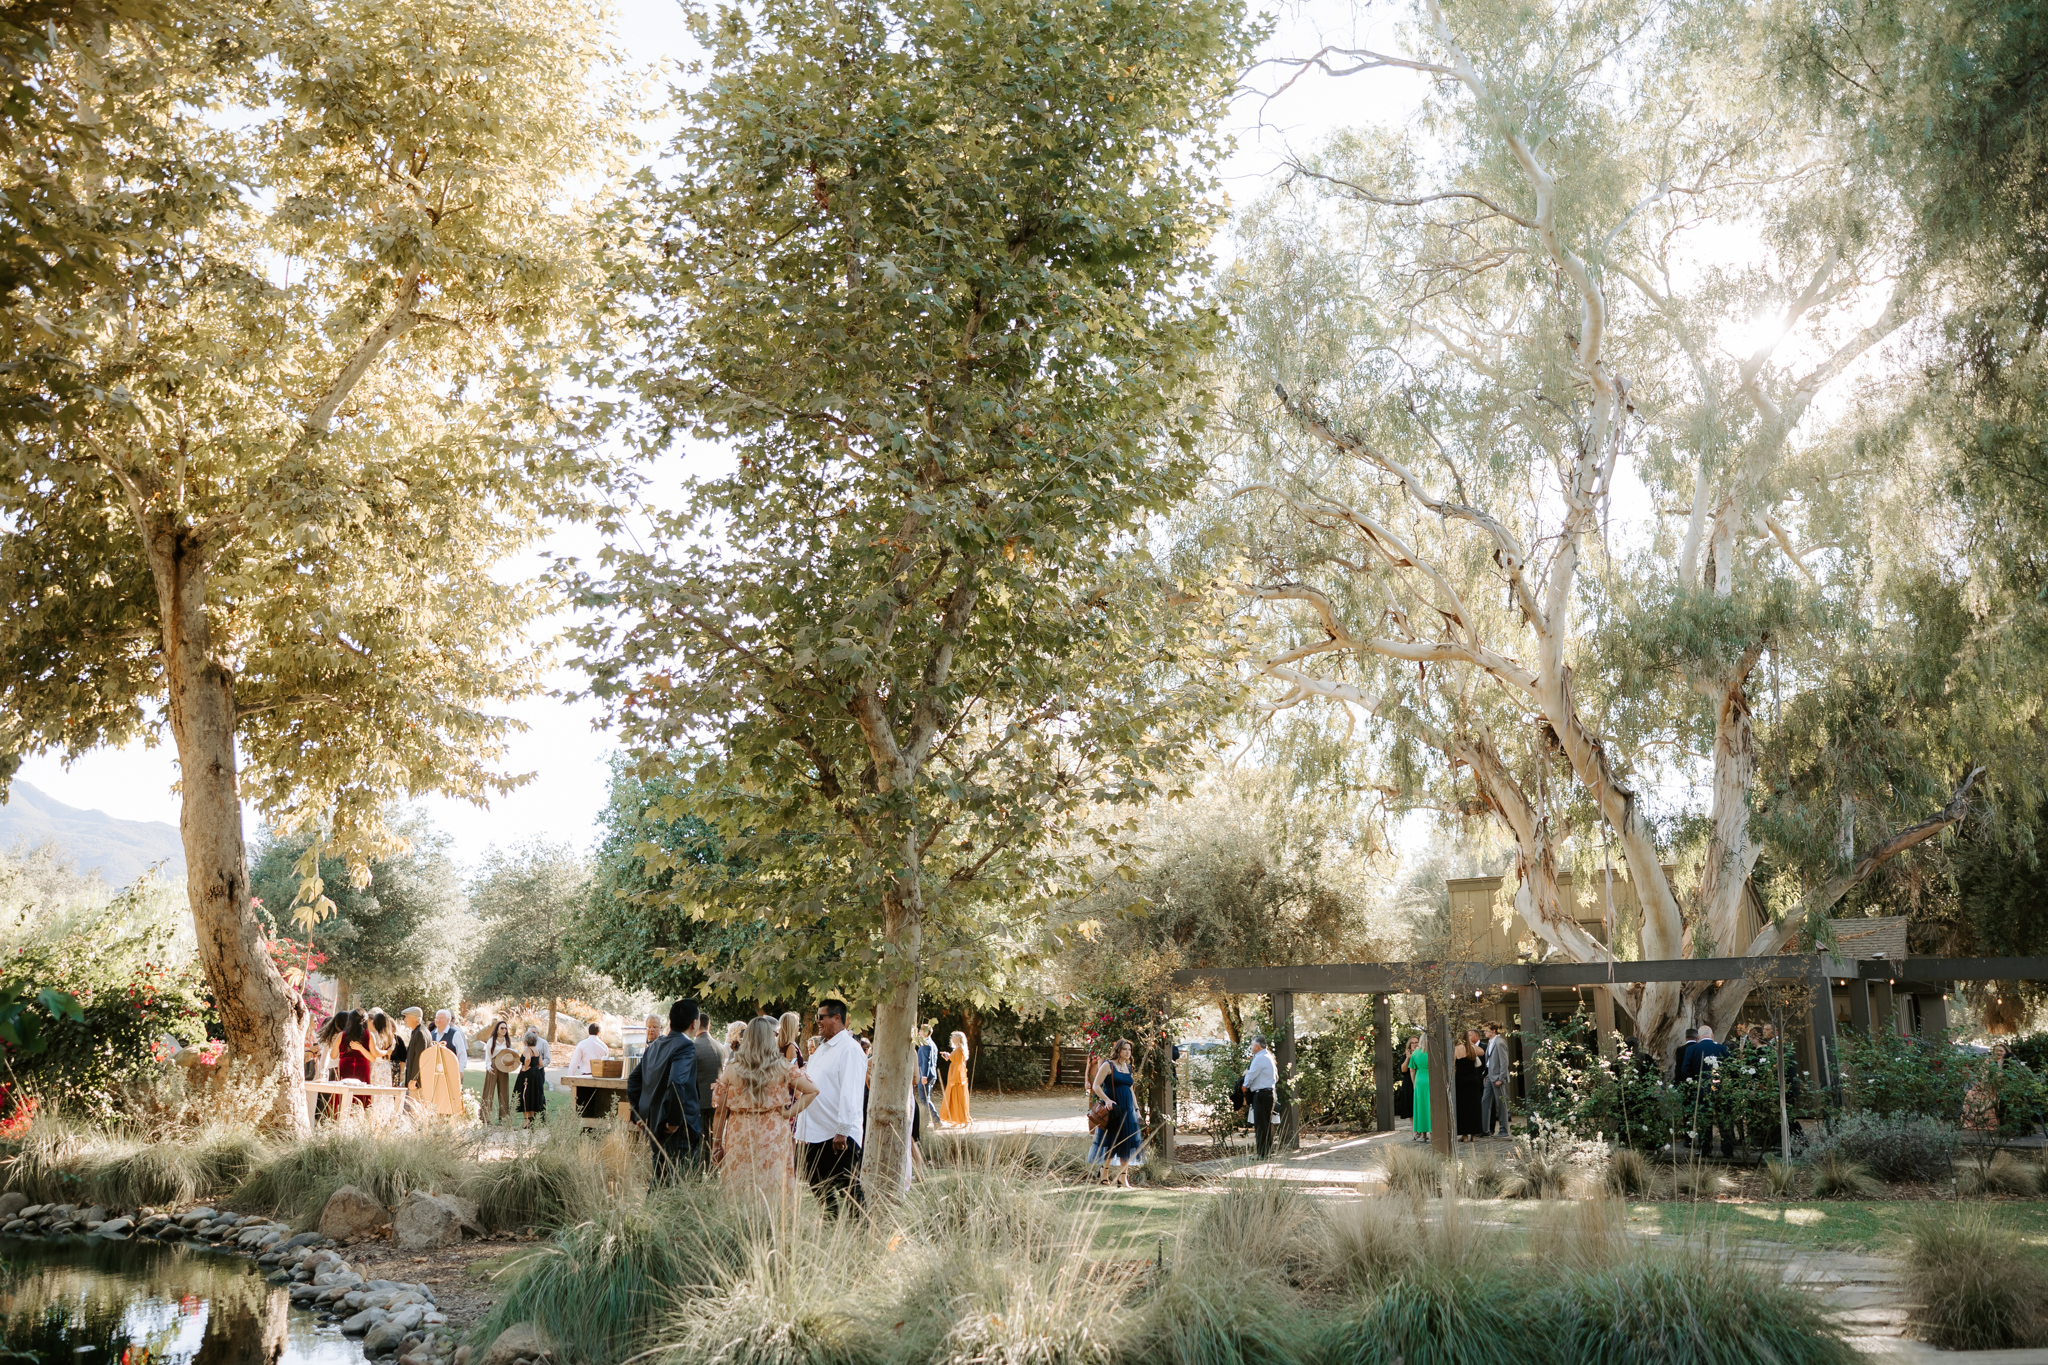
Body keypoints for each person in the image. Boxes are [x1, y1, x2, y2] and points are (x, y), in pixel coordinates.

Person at [711, 1015, 820, 1212]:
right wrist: (789, 1113)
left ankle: (741, 1226)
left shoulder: (733, 1069)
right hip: (774, 1134)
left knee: (740, 1184)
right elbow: (813, 1090)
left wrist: (716, 1143)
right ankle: (772, 1228)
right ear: (771, 1038)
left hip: (739, 1134)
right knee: (772, 1183)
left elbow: (720, 1111)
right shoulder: (783, 1067)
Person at [793, 999, 867, 1215]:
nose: (817, 1021)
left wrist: (842, 1131)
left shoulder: (850, 1050)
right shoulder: (823, 1048)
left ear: (837, 1018)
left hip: (838, 1135)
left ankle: (862, 1233)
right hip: (816, 1132)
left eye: (821, 1017)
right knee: (817, 1184)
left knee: (850, 1190)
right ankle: (832, 1224)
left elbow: (850, 1092)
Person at [627, 999, 704, 1183]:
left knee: (661, 1176)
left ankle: (651, 1211)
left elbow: (633, 1079)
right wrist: (673, 1120)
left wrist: (639, 1113)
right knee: (676, 1181)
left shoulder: (655, 1045)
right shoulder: (685, 1047)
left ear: (669, 1022)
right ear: (694, 1023)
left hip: (654, 1123)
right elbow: (677, 1082)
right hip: (677, 1128)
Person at [1091, 1039, 1143, 1186]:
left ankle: (1123, 1177)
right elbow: (1096, 1086)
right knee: (1112, 1142)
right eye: (1125, 1049)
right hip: (1114, 1109)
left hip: (1128, 1109)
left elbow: (1131, 1090)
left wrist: (1137, 1110)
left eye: (1130, 1050)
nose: (1128, 1052)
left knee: (1126, 1142)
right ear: (1118, 1050)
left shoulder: (1128, 1067)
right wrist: (1107, 1100)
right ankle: (1104, 1173)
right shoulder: (1108, 1065)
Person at [691, 1010, 725, 1158]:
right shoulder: (721, 1047)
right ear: (709, 1026)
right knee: (714, 1137)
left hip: (698, 1100)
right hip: (717, 1100)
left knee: (700, 1139)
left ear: (696, 1024)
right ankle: (713, 1170)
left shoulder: (693, 1047)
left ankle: (699, 1174)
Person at [1242, 1035, 1277, 1157]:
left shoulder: (1260, 1058)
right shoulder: (1267, 1056)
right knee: (1265, 1124)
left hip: (1262, 1094)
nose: (1251, 1047)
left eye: (1252, 1045)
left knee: (1261, 1125)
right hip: (1267, 1093)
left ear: (1257, 1046)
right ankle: (1265, 1152)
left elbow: (1251, 1075)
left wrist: (1244, 1086)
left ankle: (1262, 1153)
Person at [338, 1009, 375, 1110]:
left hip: (346, 1066)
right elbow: (372, 1058)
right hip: (362, 1066)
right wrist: (361, 1049)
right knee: (361, 1094)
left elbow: (333, 1055)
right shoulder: (369, 1035)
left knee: (344, 1094)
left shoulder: (342, 1035)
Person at [480, 1019, 514, 1124]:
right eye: (502, 1028)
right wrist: (488, 1066)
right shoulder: (492, 1040)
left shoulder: (507, 1041)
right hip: (494, 1065)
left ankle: (504, 1119)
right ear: (497, 1030)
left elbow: (510, 1053)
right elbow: (488, 1055)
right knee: (489, 1091)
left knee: (504, 1092)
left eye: (505, 1028)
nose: (504, 1030)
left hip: (504, 1065)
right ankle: (485, 1118)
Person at [1453, 1028, 1484, 1142]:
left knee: (1463, 1108)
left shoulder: (1456, 1049)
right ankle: (1474, 1134)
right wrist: (1471, 1044)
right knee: (1474, 1107)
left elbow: (1452, 1064)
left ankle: (1464, 1135)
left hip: (1461, 1081)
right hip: (1473, 1080)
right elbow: (1481, 1052)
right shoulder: (1471, 1048)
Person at [1481, 1021, 1510, 1138]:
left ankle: (1504, 1130)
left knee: (1501, 1104)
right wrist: (1486, 1075)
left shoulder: (1500, 1042)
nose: (1484, 1032)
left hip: (1498, 1077)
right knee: (1485, 1101)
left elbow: (1504, 1062)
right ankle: (1485, 1129)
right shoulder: (1490, 1042)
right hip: (1489, 1075)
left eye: (1486, 1030)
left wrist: (1501, 1078)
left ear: (1493, 1030)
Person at [939, 1030, 971, 1127]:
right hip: (955, 1076)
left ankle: (965, 1120)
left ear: (958, 1039)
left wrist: (955, 1079)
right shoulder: (958, 1049)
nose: (952, 1038)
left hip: (957, 1078)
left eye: (953, 1037)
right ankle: (956, 1120)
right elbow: (955, 1060)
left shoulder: (959, 1050)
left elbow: (959, 1066)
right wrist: (948, 1055)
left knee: (959, 1099)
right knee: (954, 1099)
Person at [515, 1035, 548, 1127]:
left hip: (527, 1075)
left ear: (526, 1041)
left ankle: (526, 1121)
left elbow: (528, 1058)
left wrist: (525, 1068)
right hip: (536, 1074)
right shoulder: (537, 1050)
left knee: (524, 1096)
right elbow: (540, 1063)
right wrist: (534, 1068)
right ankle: (531, 1119)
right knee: (532, 1096)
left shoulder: (528, 1050)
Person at [1403, 1035, 1432, 1143]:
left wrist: (1414, 1083)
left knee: (1421, 1107)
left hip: (1420, 1080)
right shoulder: (1432, 1052)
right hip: (1431, 1080)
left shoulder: (1415, 1053)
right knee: (1431, 1106)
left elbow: (1412, 1070)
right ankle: (1433, 1132)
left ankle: (1423, 1135)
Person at [914, 1025, 941, 1129]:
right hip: (932, 1074)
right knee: (926, 1098)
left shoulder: (926, 1044)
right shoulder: (932, 1044)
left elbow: (926, 1061)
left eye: (920, 1030)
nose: (919, 1032)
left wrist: (924, 1076)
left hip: (925, 1075)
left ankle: (936, 1120)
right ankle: (932, 1121)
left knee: (925, 1099)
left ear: (925, 1032)